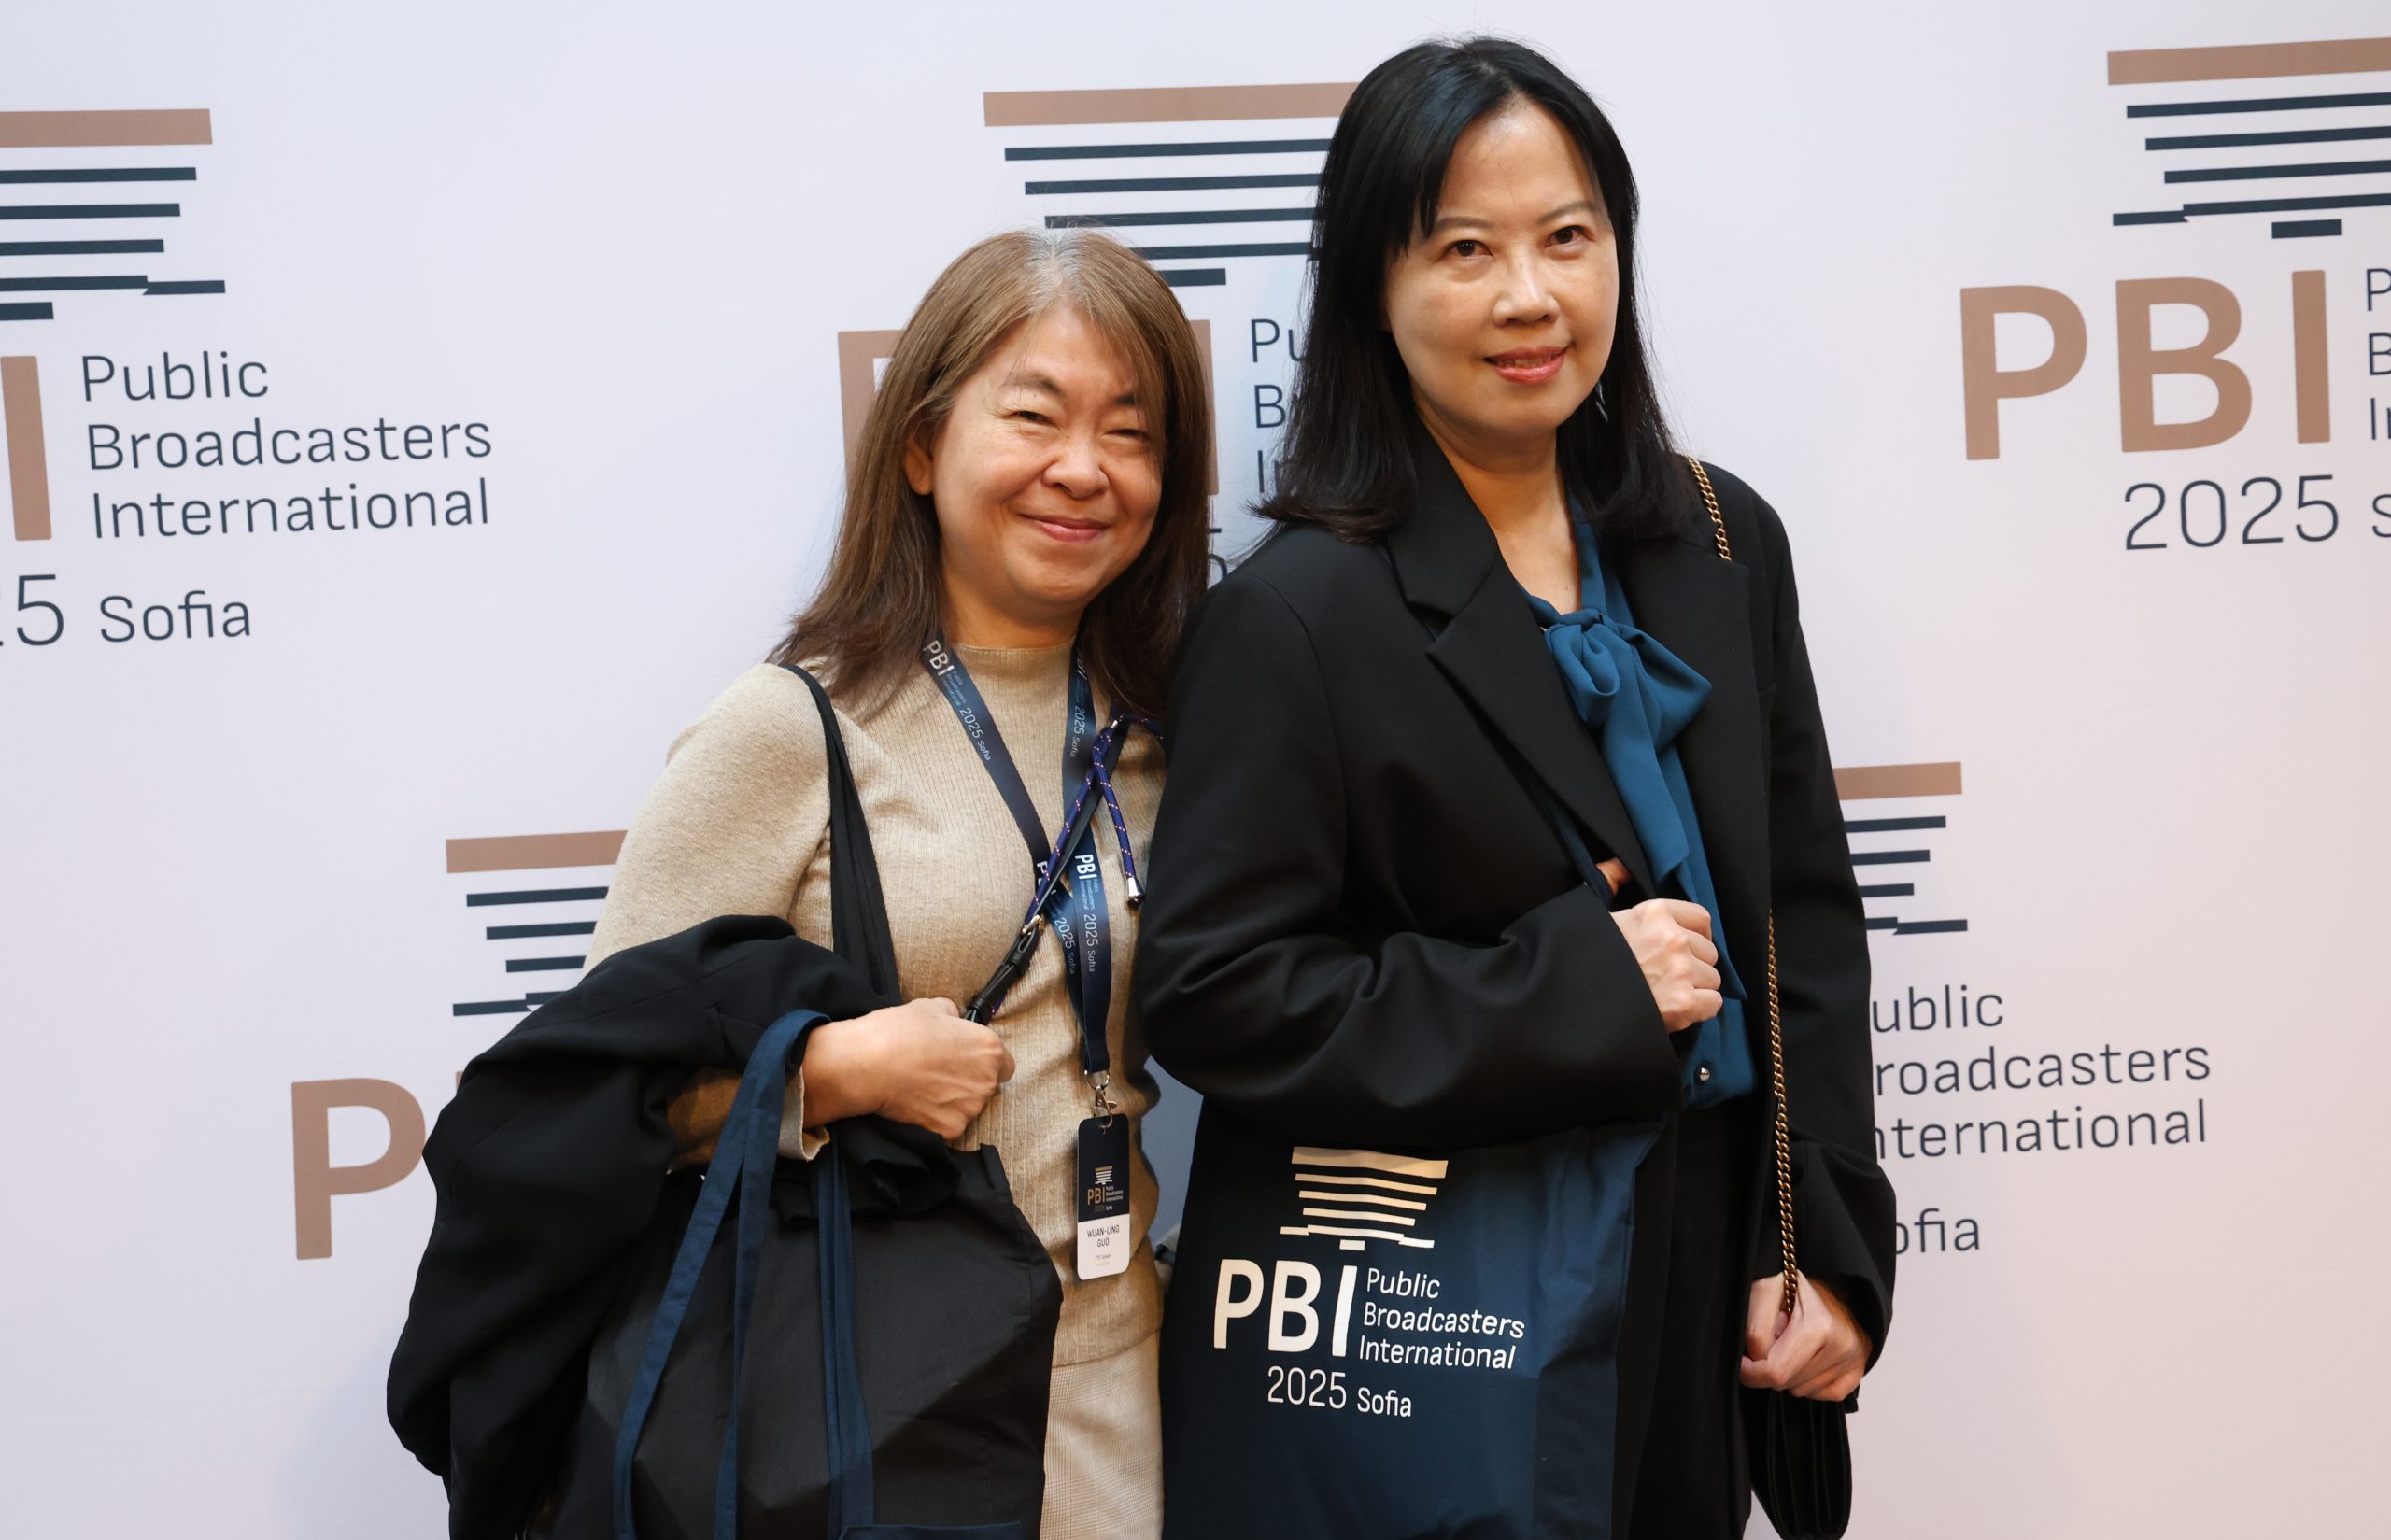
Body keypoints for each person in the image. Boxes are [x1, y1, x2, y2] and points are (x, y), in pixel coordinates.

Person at [1134, 37, 1894, 1536]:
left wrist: (1826, 1241)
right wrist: (1572, 990)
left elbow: (1801, 925)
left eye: (1568, 237)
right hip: (1459, 1296)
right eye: (1465, 250)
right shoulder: (1298, 614)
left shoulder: (1721, 540)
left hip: (1711, 1269)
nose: (1531, 297)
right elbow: (1216, 993)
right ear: (1374, 285)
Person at [586, 228, 1211, 1539]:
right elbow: (591, 1096)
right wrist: (834, 1074)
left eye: (1131, 433)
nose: (1084, 468)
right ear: (922, 448)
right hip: (872, 1399)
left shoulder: (1172, 732)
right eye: (1034, 416)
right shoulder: (793, 728)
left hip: (1119, 1375)